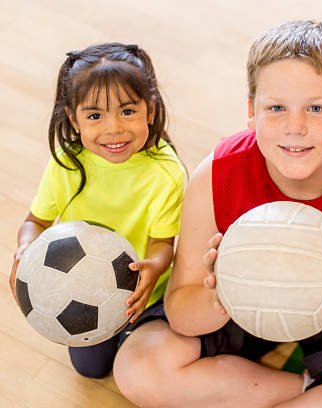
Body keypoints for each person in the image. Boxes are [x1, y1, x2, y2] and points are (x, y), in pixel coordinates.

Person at [113, 20, 322, 407]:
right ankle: (305, 393)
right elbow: (183, 312)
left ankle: (244, 395)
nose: (295, 127)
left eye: (316, 108)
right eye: (276, 108)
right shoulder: (218, 175)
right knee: (139, 366)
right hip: (238, 305)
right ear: (251, 112)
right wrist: (218, 291)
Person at [8, 42, 186, 379]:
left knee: (155, 355)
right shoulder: (68, 164)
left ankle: (147, 327)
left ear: (150, 109)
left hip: (143, 294)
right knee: (91, 369)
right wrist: (25, 251)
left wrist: (155, 266)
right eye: (94, 116)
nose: (113, 128)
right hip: (84, 289)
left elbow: (164, 243)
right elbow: (36, 222)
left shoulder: (167, 173)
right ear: (74, 120)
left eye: (127, 111)